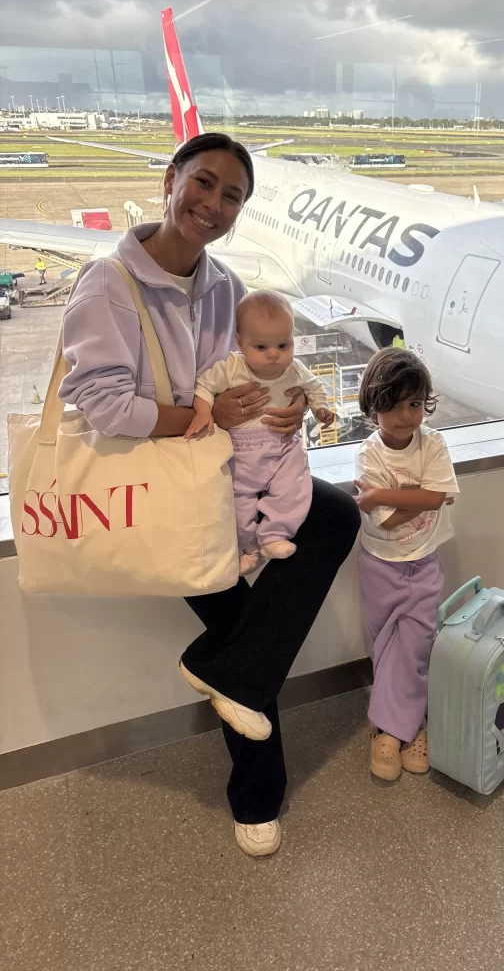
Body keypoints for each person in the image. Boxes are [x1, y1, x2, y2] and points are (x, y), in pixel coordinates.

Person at [58, 132, 359, 856]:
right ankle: (256, 795)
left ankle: (219, 670)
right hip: (163, 491)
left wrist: (284, 410)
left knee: (336, 517)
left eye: (232, 196)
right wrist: (201, 418)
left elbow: (254, 375)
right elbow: (99, 403)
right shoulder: (109, 284)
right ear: (170, 180)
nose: (214, 204)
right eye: (204, 183)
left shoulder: (226, 287)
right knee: (245, 620)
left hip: (231, 481)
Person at [354, 348, 458, 781]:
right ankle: (410, 724)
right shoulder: (368, 455)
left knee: (416, 645)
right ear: (373, 406)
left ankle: (392, 731)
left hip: (425, 560)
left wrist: (382, 495)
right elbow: (393, 519)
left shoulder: (432, 443)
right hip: (379, 563)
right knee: (386, 645)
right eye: (393, 405)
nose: (406, 416)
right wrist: (412, 494)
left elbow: (436, 498)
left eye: (414, 404)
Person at [187, 290, 335, 572]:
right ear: (240, 343)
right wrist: (204, 411)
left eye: (283, 345)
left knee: (295, 485)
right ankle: (247, 548)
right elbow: (204, 387)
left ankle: (273, 535)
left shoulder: (296, 370)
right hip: (240, 450)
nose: (274, 355)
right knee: (236, 500)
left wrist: (319, 408)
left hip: (282, 446)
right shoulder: (231, 368)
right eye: (261, 347)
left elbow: (314, 387)